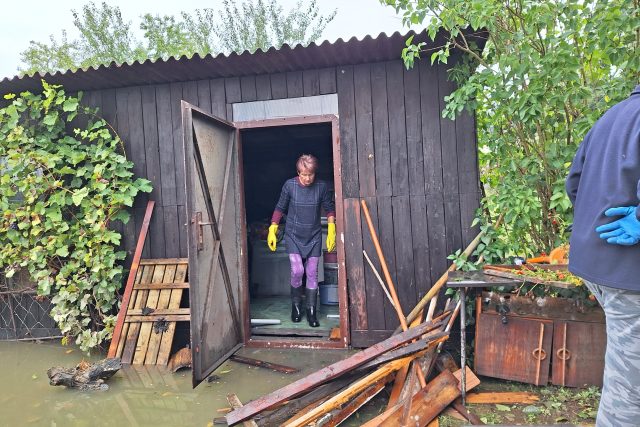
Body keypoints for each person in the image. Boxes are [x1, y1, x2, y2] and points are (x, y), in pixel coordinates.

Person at [566, 84, 640, 426]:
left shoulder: (610, 117)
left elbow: (574, 184)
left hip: (597, 267)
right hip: (629, 275)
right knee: (628, 396)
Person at [267, 154, 336, 327]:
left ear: (314, 173)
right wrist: (273, 227)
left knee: (312, 272)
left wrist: (332, 228)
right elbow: (280, 207)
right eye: (303, 174)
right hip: (293, 234)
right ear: (298, 172)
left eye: (310, 174)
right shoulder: (289, 185)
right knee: (298, 271)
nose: (307, 178)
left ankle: (311, 310)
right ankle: (296, 307)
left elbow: (329, 208)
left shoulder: (321, 187)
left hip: (313, 235)